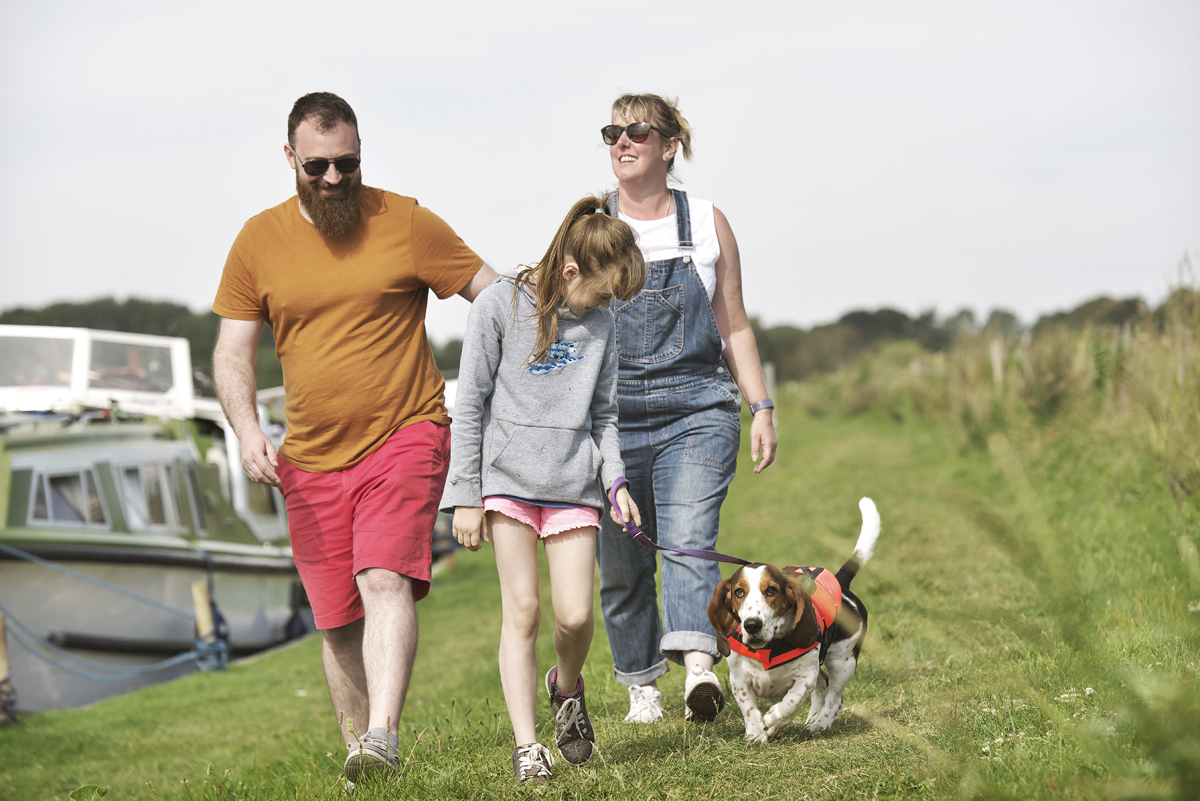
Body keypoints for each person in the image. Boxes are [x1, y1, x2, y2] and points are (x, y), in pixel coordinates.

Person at [211, 92, 497, 786]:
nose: (336, 178)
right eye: (319, 167)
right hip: (307, 460)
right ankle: (362, 757)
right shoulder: (257, 240)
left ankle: (383, 734)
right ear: (290, 158)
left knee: (381, 578)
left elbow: (492, 297)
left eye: (349, 163)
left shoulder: (404, 221)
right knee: (337, 620)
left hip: (406, 432)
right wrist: (248, 429)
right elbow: (231, 353)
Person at [441, 196, 646, 784]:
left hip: (573, 484)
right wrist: (465, 495)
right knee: (523, 611)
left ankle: (567, 688)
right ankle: (528, 746)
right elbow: (471, 404)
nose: (606, 306)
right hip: (507, 484)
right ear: (570, 271)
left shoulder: (602, 326)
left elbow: (605, 415)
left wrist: (616, 482)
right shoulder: (498, 306)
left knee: (577, 617)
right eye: (603, 293)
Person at [595, 93, 779, 725]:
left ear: (668, 145)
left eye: (637, 131)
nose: (623, 141)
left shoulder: (705, 221)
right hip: (612, 422)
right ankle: (641, 687)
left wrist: (760, 405)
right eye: (612, 131)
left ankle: (699, 673)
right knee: (622, 566)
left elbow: (734, 325)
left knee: (689, 541)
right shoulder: (590, 224)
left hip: (696, 410)